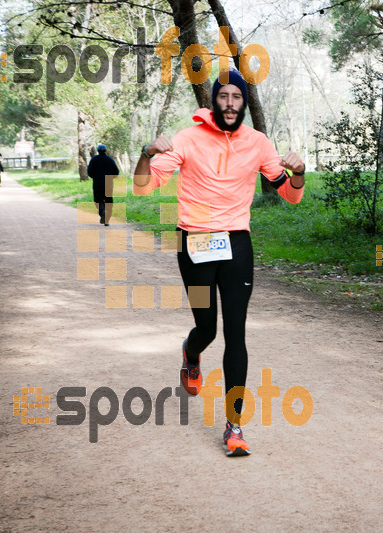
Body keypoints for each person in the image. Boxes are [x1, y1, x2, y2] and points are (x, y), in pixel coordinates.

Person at [133, 69, 306, 456]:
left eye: (237, 97)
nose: (230, 104)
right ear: (214, 100)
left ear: (244, 102)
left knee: (237, 333)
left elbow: (290, 195)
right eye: (223, 96)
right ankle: (191, 353)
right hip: (194, 241)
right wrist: (147, 155)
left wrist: (299, 173)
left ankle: (235, 425)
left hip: (237, 242)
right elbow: (143, 186)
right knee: (207, 329)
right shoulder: (188, 138)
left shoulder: (258, 142)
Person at [86, 144, 120, 226]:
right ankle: (107, 220)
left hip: (97, 183)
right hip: (108, 183)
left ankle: (102, 211)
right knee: (108, 201)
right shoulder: (110, 160)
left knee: (98, 200)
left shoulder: (94, 159)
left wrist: (94, 177)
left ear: (97, 151)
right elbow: (116, 172)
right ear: (106, 150)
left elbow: (89, 172)